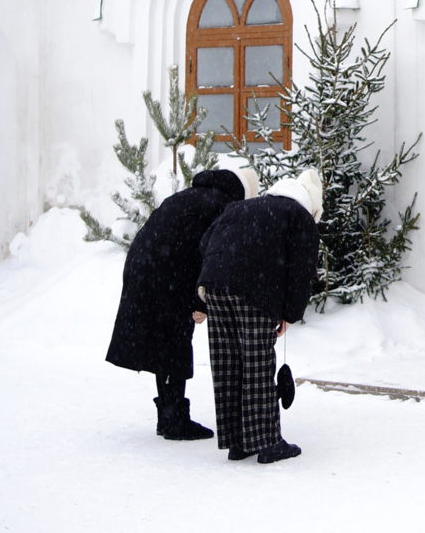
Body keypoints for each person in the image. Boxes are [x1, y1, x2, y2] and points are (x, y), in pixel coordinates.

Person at [105, 166, 260, 440]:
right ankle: (175, 420)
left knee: (164, 340)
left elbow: (184, 247)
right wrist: (199, 304)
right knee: (175, 340)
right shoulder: (222, 206)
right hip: (166, 272)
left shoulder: (194, 195)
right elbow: (208, 257)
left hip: (145, 265)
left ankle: (168, 415)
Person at [197, 167, 321, 464]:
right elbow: (302, 270)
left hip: (214, 283)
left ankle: (238, 441)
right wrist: (289, 314)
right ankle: (267, 442)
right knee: (257, 361)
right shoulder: (298, 216)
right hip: (251, 288)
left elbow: (205, 243)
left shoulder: (242, 206)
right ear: (311, 203)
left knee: (228, 361)